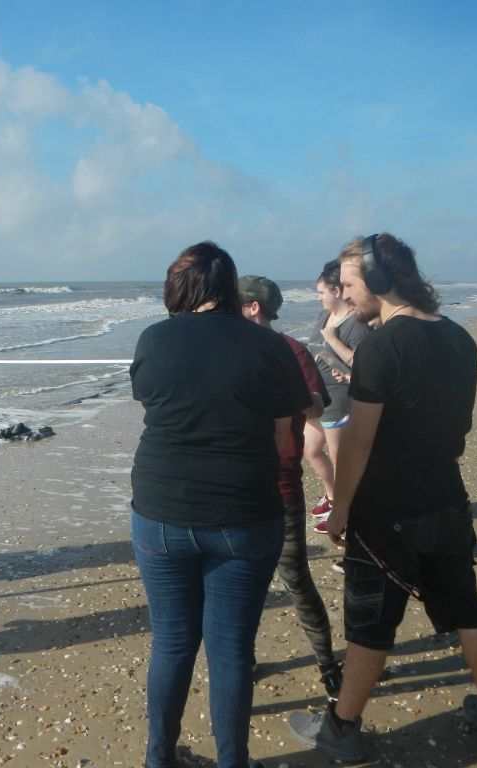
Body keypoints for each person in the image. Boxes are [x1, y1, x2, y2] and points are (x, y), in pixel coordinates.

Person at [288, 234, 477, 759]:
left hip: (384, 514)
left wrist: (341, 507)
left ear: (377, 280)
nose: (346, 297)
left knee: (370, 627)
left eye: (349, 285)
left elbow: (359, 439)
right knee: (468, 610)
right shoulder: (461, 338)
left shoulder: (382, 347)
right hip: (446, 497)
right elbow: (459, 422)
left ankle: (342, 727)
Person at [130, 244, 311, 768]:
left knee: (171, 642)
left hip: (161, 510)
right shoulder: (266, 345)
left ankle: (159, 759)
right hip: (244, 512)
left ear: (179, 287)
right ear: (231, 289)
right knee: (230, 649)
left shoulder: (154, 338)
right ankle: (233, 761)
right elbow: (283, 435)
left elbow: (151, 401)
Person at [237, 275, 343, 699]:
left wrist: (293, 397)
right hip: (244, 488)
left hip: (273, 487)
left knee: (292, 579)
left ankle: (327, 665)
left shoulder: (289, 350)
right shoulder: (240, 351)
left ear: (253, 307)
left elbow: (317, 405)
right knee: (247, 585)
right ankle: (245, 664)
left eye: (236, 303)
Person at [303, 260, 370, 530]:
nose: (319, 298)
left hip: (340, 398)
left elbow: (364, 365)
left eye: (322, 292)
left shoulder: (357, 324)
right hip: (317, 394)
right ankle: (333, 497)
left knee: (341, 459)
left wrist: (333, 339)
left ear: (337, 291)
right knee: (311, 450)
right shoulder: (324, 315)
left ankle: (345, 511)